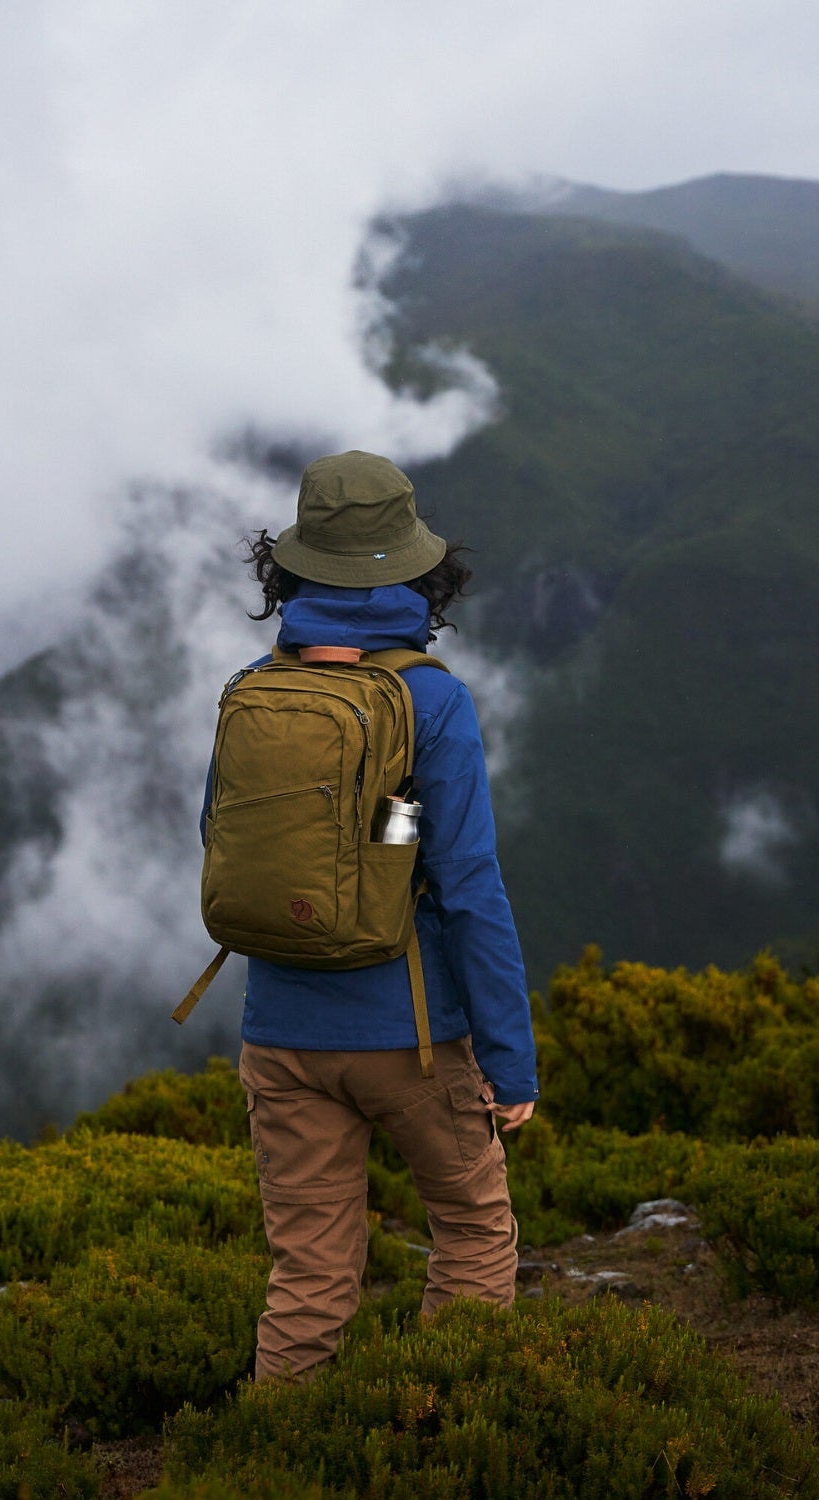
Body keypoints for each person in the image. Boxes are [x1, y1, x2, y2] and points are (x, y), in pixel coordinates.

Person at [203, 449, 539, 1383]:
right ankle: (442, 1440)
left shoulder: (254, 691)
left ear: (296, 567)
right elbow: (470, 888)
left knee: (307, 1273)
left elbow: (219, 838)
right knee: (473, 1233)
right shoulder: (431, 699)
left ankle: (274, 1469)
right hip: (413, 1038)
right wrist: (509, 1061)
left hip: (279, 1036)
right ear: (419, 569)